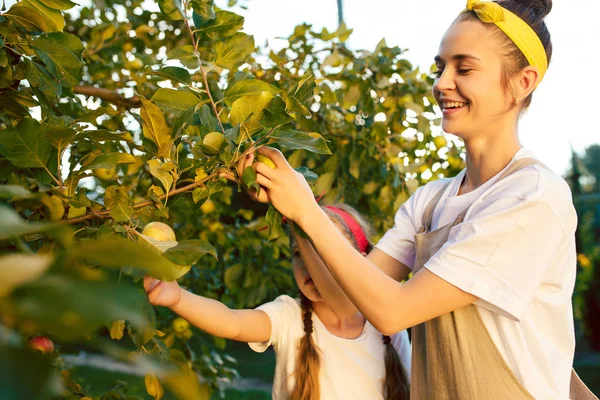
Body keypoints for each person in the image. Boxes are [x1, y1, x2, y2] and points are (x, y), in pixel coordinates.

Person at [245, 0, 597, 398]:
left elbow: (393, 311)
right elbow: (349, 303)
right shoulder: (429, 202)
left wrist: (306, 210)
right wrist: (289, 206)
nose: (442, 82)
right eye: (440, 67)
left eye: (463, 68)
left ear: (523, 81)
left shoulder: (530, 196)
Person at [144, 204, 411, 400]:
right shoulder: (290, 315)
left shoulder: (387, 325)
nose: (309, 265)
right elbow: (233, 322)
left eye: (324, 253)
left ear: (361, 261)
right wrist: (178, 298)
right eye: (299, 252)